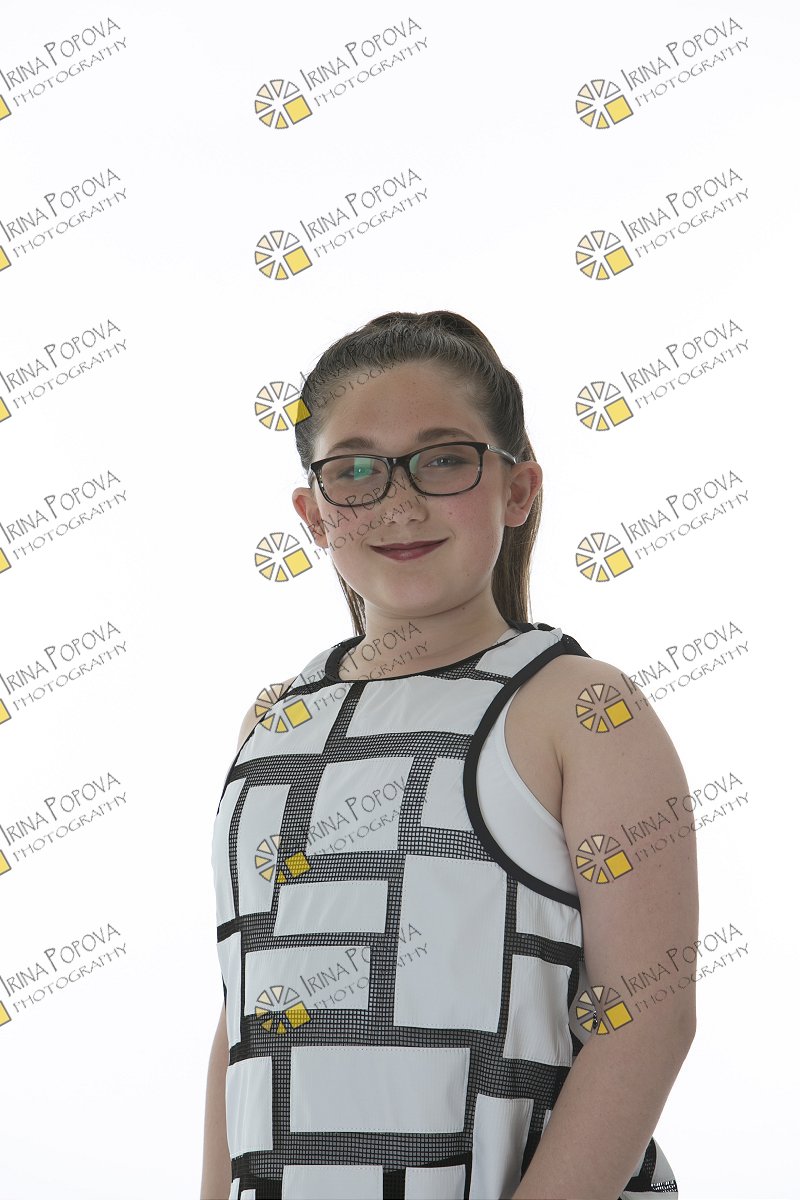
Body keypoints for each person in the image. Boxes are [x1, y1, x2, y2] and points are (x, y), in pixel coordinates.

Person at [201, 310, 698, 1200]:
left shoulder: (578, 710)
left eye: (442, 460)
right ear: (313, 514)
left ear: (518, 489)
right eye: (356, 470)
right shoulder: (272, 722)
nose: (398, 502)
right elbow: (244, 1013)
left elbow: (646, 1018)